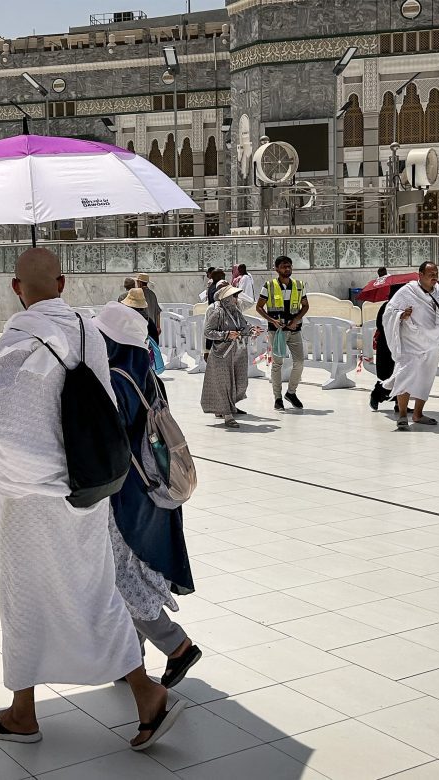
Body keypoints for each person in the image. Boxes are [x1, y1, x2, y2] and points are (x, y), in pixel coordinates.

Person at [0, 248, 182, 749]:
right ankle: (145, 692)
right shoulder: (88, 332)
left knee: (23, 600)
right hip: (87, 491)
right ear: (63, 284)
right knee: (96, 592)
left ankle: (23, 715)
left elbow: (2, 431)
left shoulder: (16, 339)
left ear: (16, 290)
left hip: (31, 501)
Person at [94, 301, 201, 689]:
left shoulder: (115, 379)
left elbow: (108, 441)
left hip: (129, 497)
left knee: (121, 577)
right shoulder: (147, 374)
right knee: (137, 568)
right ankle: (130, 658)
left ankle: (177, 646)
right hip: (158, 490)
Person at [383, 261, 439, 429]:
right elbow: (389, 312)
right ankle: (402, 415)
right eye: (430, 274)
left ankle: (418, 414)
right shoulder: (407, 291)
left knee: (426, 378)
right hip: (411, 342)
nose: (434, 277)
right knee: (405, 376)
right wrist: (402, 315)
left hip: (432, 342)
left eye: (436, 274)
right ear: (420, 275)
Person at [256, 256, 309, 410]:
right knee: (277, 364)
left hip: (294, 330)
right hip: (276, 332)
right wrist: (272, 321)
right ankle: (278, 398)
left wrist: (296, 320)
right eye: (284, 267)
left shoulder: (299, 285)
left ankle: (291, 393)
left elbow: (305, 306)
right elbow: (259, 307)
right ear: (277, 269)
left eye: (289, 266)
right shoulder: (269, 285)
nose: (287, 269)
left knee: (299, 362)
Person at [201, 282, 250, 427]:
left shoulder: (236, 311)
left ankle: (227, 407)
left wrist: (251, 331)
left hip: (238, 352)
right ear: (227, 297)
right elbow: (207, 332)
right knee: (225, 384)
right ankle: (227, 415)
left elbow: (243, 327)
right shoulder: (217, 312)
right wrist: (226, 334)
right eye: (234, 296)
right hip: (221, 353)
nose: (236, 298)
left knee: (241, 382)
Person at [369, 283, 405, 411]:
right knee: (387, 375)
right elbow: (381, 324)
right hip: (386, 346)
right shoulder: (387, 307)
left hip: (402, 345)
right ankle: (376, 395)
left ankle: (399, 405)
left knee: (402, 375)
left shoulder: (406, 307)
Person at [133, 273, 161, 339]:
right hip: (152, 328)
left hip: (141, 328)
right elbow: (158, 312)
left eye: (137, 282)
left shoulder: (138, 294)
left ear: (140, 282)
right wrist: (158, 327)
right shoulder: (152, 294)